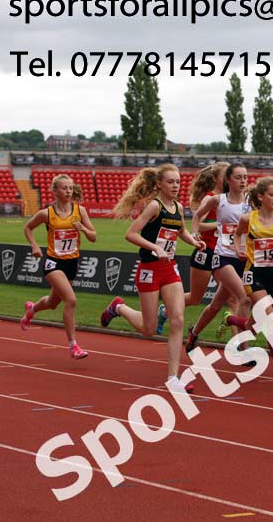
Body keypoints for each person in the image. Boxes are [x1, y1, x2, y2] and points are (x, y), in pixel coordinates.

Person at [101, 164, 205, 393]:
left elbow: (180, 231)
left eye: (178, 182)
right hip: (149, 269)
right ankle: (118, 307)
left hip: (169, 269)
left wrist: (194, 241)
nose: (176, 186)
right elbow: (131, 234)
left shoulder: (177, 207)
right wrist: (154, 248)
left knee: (177, 319)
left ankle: (173, 378)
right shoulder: (154, 207)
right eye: (171, 182)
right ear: (159, 184)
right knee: (148, 329)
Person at [227, 177, 273, 381]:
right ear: (260, 197)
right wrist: (238, 248)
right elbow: (237, 235)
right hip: (253, 275)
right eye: (272, 194)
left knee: (253, 324)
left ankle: (233, 320)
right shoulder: (247, 219)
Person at [22, 174, 97, 360]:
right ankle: (74, 346)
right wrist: (34, 245)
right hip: (53, 262)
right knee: (70, 300)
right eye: (64, 188)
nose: (69, 191)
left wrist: (84, 229)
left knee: (52, 303)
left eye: (71, 188)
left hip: (71, 262)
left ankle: (31, 310)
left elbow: (94, 237)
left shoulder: (80, 211)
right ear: (55, 191)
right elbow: (28, 228)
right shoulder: (47, 213)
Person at [156, 162, 231, 334]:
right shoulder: (210, 198)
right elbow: (198, 224)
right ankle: (165, 311)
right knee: (195, 298)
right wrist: (218, 226)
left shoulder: (232, 199)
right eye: (224, 176)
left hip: (224, 253)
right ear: (216, 179)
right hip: (205, 251)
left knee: (233, 298)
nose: (228, 179)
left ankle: (239, 346)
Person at [186, 163, 252, 356]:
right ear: (228, 180)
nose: (243, 181)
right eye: (238, 177)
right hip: (222, 258)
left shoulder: (250, 201)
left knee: (216, 305)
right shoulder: (217, 200)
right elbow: (197, 216)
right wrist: (195, 233)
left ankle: (194, 332)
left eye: (245, 177)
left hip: (243, 259)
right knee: (243, 299)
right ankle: (243, 348)